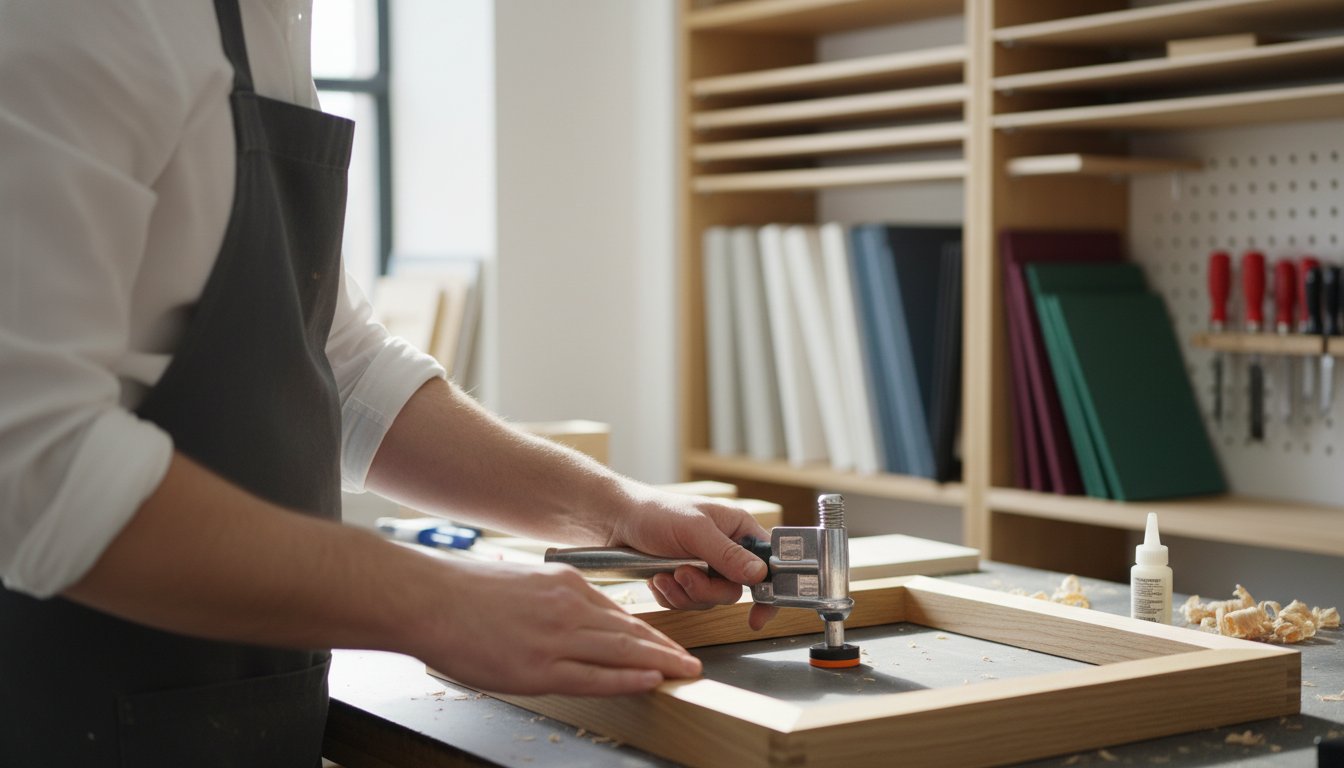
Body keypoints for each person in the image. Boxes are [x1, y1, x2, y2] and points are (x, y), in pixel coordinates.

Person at [0, 1, 774, 764]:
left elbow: (342, 360)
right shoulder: (79, 17)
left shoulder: (272, 24)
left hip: (232, 708)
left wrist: (616, 511)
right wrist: (437, 600)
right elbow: (31, 468)